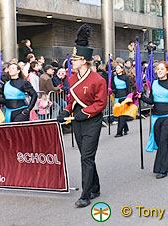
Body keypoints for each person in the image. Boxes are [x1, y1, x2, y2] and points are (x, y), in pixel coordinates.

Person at [57, 24, 107, 208]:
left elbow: (101, 104)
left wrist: (84, 114)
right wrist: (65, 111)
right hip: (76, 120)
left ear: (84, 60)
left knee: (86, 156)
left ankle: (85, 195)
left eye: (75, 59)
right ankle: (95, 186)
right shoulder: (71, 79)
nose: (72, 62)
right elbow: (73, 100)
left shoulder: (98, 80)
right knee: (86, 156)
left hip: (91, 120)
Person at [111, 63, 132, 137]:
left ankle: (119, 132)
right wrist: (111, 90)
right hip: (117, 96)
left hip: (124, 96)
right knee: (119, 114)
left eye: (119, 68)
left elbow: (128, 87)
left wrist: (129, 97)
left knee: (122, 115)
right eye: (116, 68)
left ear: (122, 69)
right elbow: (113, 87)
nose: (117, 70)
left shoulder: (125, 77)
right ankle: (125, 128)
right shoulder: (114, 77)